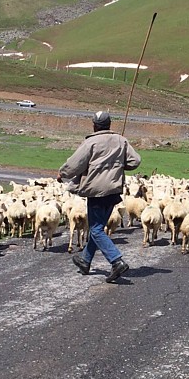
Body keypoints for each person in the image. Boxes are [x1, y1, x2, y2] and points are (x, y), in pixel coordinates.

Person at [58, 111, 141, 283]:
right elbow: (135, 161)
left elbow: (75, 163)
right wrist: (119, 165)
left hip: (96, 191)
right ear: (109, 124)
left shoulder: (91, 142)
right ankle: (85, 261)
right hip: (113, 190)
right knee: (99, 227)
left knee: (95, 229)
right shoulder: (121, 140)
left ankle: (116, 260)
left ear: (95, 125)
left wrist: (63, 174)